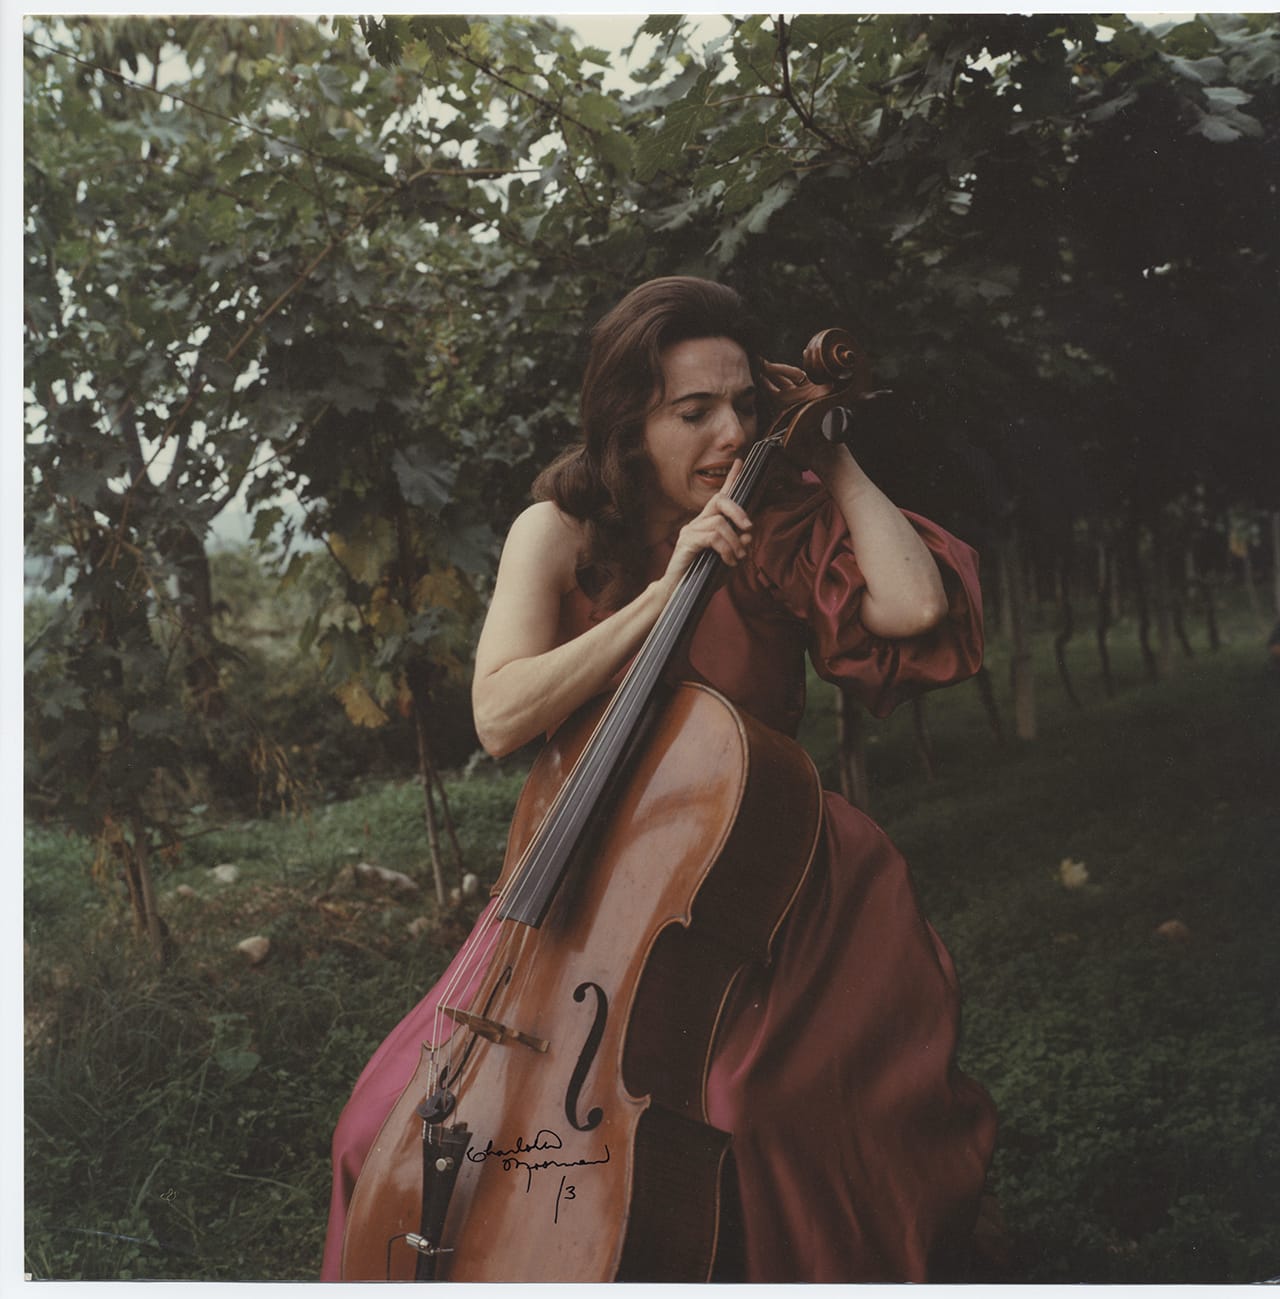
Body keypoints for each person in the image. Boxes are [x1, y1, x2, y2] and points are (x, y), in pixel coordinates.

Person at [320, 276, 997, 1283]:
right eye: (693, 413)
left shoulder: (773, 522)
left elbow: (910, 608)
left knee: (749, 1120)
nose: (728, 434)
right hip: (581, 888)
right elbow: (502, 714)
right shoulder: (556, 532)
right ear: (626, 423)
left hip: (763, 887)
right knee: (381, 1117)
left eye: (743, 406)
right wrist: (668, 589)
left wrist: (829, 451)